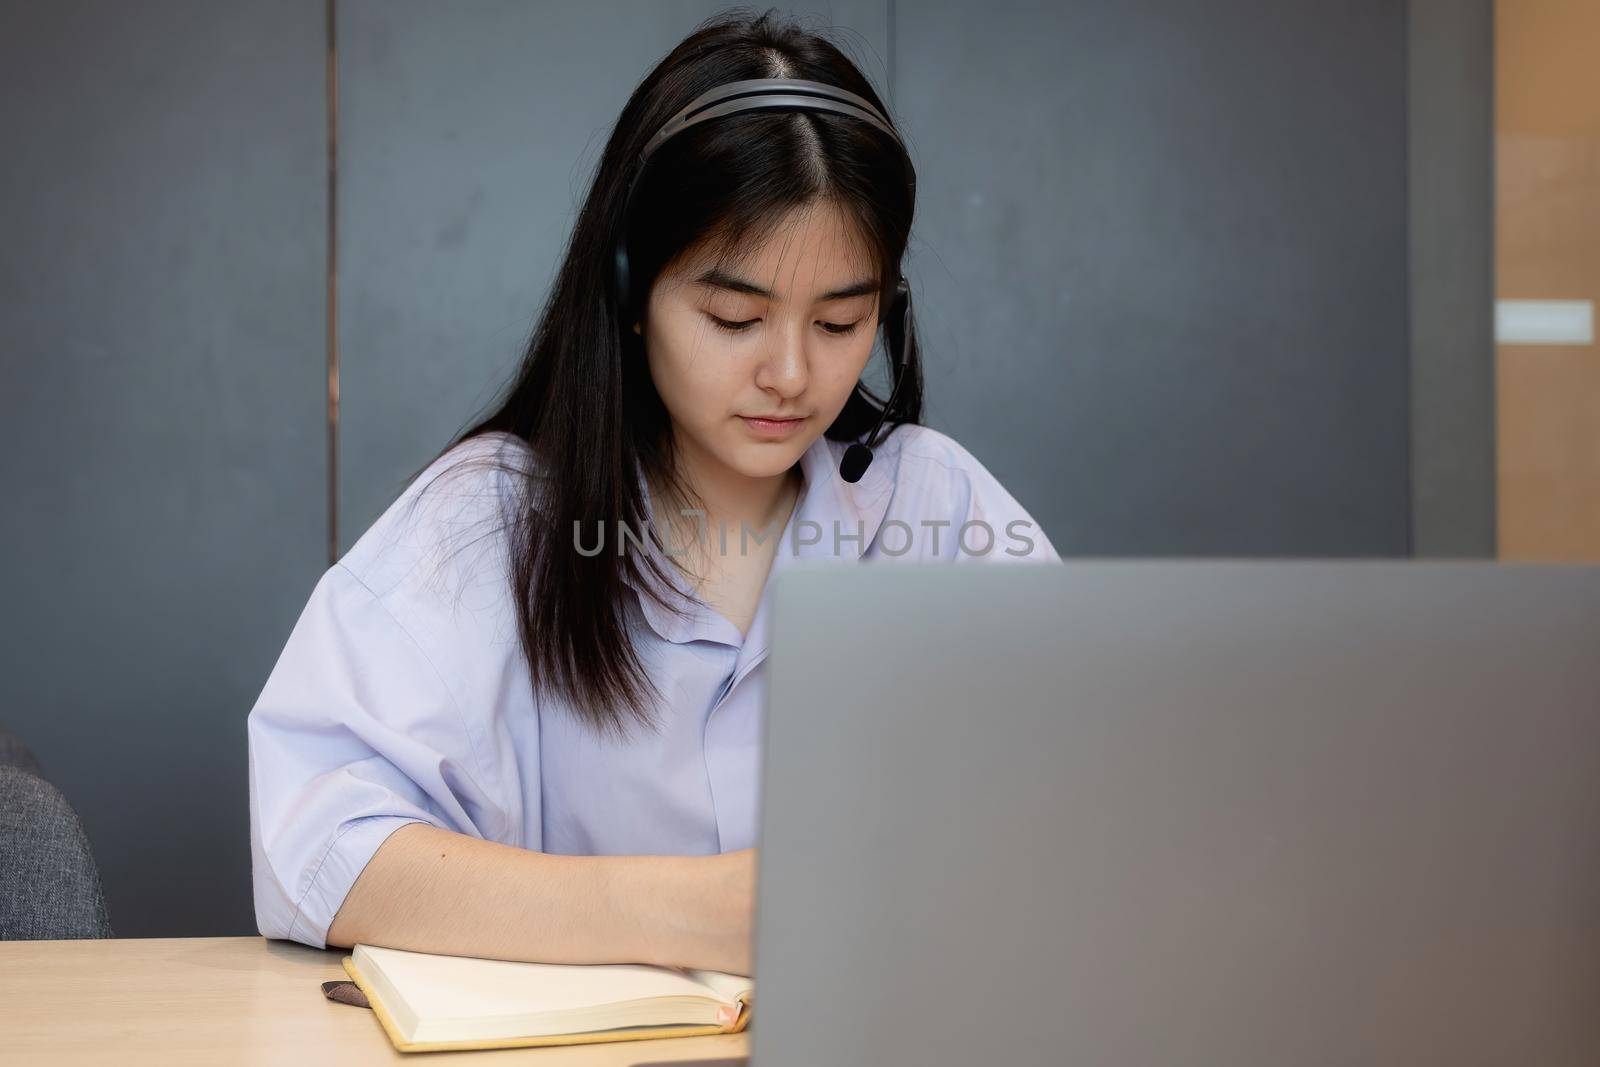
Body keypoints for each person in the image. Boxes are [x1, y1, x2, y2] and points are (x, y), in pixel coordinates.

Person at [247, 10, 1058, 978]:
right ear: (631, 293)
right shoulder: (492, 519)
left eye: (842, 321)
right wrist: (697, 910)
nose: (791, 373)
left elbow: (1086, 804)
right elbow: (320, 850)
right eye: (734, 316)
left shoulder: (935, 505)